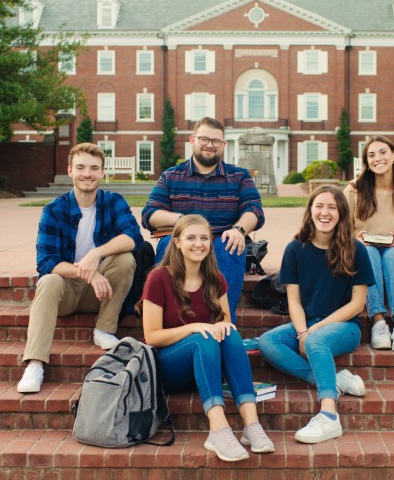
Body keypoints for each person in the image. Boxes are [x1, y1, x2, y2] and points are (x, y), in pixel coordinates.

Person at [141, 214, 274, 462]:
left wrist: (213, 328)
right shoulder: (158, 278)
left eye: (204, 238)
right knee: (204, 336)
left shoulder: (215, 278)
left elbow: (224, 322)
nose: (198, 243)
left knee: (229, 332)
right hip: (170, 368)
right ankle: (218, 428)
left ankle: (251, 424)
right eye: (190, 237)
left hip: (207, 364)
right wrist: (196, 327)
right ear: (177, 242)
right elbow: (152, 336)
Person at [17, 143, 143, 394]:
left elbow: (134, 238)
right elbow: (46, 262)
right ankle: (35, 363)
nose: (88, 173)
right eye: (81, 167)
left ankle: (104, 329)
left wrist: (96, 254)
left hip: (102, 293)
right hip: (68, 292)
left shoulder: (113, 202)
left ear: (102, 173)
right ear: (70, 171)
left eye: (94, 168)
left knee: (126, 258)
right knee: (48, 280)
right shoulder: (54, 210)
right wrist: (88, 272)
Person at [258, 185, 375, 444]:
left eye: (332, 207)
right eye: (319, 206)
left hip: (344, 327)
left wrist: (314, 331)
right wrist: (302, 331)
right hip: (306, 324)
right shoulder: (295, 249)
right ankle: (334, 379)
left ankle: (329, 415)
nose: (325, 212)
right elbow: (294, 301)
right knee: (267, 342)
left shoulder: (356, 250)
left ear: (341, 213)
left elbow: (357, 304)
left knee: (316, 341)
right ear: (310, 211)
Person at [141, 117, 264, 323]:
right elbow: (149, 214)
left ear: (223, 145)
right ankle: (172, 322)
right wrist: (184, 221)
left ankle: (223, 324)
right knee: (168, 244)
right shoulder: (172, 176)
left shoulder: (239, 176)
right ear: (192, 140)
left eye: (216, 141)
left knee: (232, 245)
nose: (210, 145)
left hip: (221, 241)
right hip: (182, 242)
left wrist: (239, 230)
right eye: (204, 139)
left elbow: (255, 210)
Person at [343, 136, 394, 352]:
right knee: (368, 252)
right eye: (371, 155)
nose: (377, 158)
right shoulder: (353, 190)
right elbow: (341, 233)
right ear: (366, 161)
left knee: (392, 255)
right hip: (364, 252)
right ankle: (378, 321)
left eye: (382, 152)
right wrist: (356, 241)